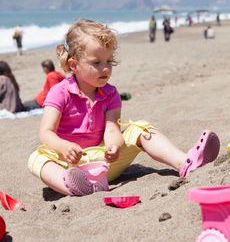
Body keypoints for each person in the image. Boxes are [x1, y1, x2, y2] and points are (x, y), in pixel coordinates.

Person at [28, 19, 220, 197]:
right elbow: (46, 132)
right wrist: (64, 146)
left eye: (109, 61)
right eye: (97, 63)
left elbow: (112, 128)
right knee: (37, 158)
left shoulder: (110, 93)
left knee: (141, 128)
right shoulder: (59, 92)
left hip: (103, 161)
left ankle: (185, 162)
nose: (106, 68)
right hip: (68, 162)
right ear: (74, 64)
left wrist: (114, 145)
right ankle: (72, 185)